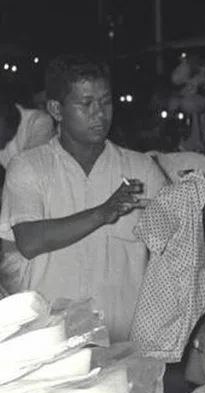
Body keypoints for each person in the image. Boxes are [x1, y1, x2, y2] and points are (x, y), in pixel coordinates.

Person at [0, 55, 167, 342]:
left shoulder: (141, 169)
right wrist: (102, 213)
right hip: (51, 345)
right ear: (56, 109)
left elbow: (174, 241)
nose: (100, 114)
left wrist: (198, 206)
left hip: (124, 343)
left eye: (106, 102)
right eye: (86, 103)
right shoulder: (29, 167)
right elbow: (29, 240)